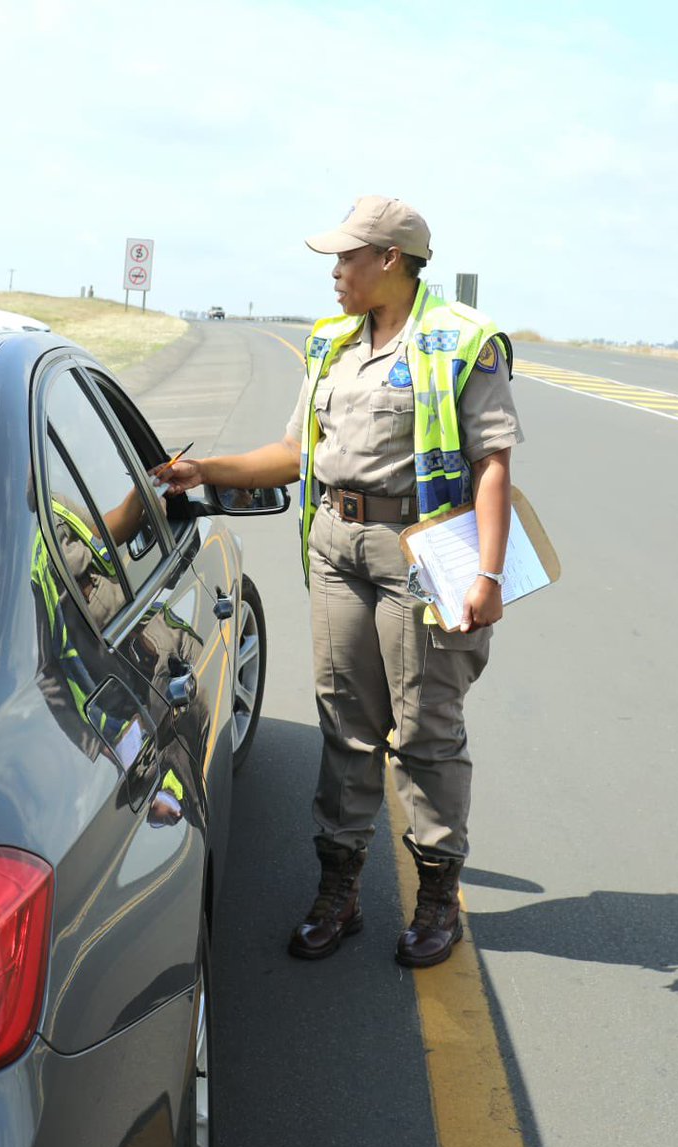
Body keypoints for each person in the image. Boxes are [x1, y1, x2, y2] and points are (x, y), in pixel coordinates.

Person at [161, 196, 523, 968]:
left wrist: (486, 575)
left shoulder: (462, 343)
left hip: (417, 552)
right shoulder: (329, 343)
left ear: (389, 258)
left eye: (345, 258)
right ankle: (340, 891)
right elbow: (295, 452)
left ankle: (434, 900)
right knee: (344, 722)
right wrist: (207, 469)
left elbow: (492, 464)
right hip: (334, 544)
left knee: (425, 728)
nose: (334, 273)